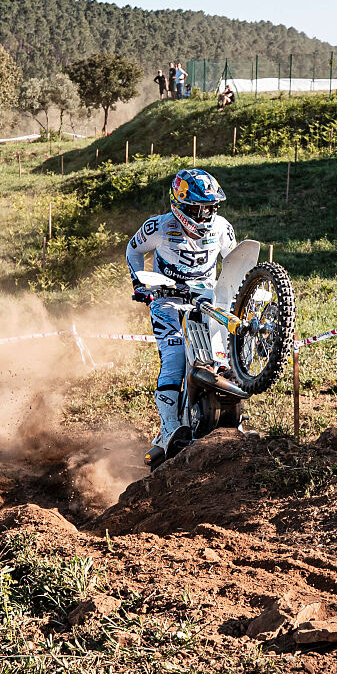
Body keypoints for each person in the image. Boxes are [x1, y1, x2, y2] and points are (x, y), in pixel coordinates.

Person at [125, 168, 237, 468]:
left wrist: (240, 290)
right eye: (197, 209)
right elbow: (133, 250)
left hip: (207, 299)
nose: (203, 216)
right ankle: (168, 427)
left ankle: (234, 417)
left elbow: (235, 261)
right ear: (180, 205)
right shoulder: (159, 227)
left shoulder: (223, 228)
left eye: (209, 208)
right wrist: (140, 283)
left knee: (228, 355)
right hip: (167, 299)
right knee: (174, 356)